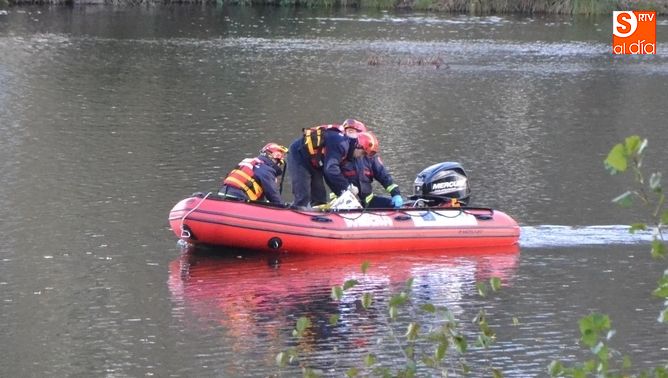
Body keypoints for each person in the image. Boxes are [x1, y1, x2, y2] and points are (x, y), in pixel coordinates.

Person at [288, 119, 366, 207]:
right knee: (303, 196)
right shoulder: (341, 142)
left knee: (319, 198)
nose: (361, 156)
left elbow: (330, 173)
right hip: (299, 155)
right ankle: (295, 214)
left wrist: (342, 193)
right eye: (363, 153)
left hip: (314, 161)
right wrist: (346, 188)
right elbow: (331, 169)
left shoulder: (343, 144)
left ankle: (317, 218)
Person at [342, 131, 403, 208]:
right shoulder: (341, 156)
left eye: (366, 153)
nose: (364, 155)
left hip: (368, 201)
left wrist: (396, 194)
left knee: (391, 205)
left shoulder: (370, 159)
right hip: (344, 202)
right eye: (363, 153)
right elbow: (333, 178)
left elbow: (384, 176)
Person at [219, 142, 289, 204]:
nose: (279, 165)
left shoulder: (249, 162)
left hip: (223, 193)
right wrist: (283, 207)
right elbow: (273, 196)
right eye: (279, 162)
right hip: (237, 198)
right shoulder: (266, 170)